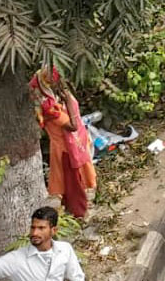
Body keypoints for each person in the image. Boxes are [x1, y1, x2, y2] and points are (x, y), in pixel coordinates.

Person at [29, 67, 97, 218]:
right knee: (74, 185)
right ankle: (79, 213)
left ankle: (73, 210)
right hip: (65, 150)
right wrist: (68, 101)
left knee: (72, 184)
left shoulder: (55, 99)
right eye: (54, 81)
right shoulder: (49, 108)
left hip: (74, 145)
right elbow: (72, 126)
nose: (58, 84)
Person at [0, 207, 85, 281]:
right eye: (33, 227)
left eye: (41, 228)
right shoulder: (16, 259)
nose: (35, 232)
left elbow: (77, 277)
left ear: (53, 230)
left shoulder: (65, 250)